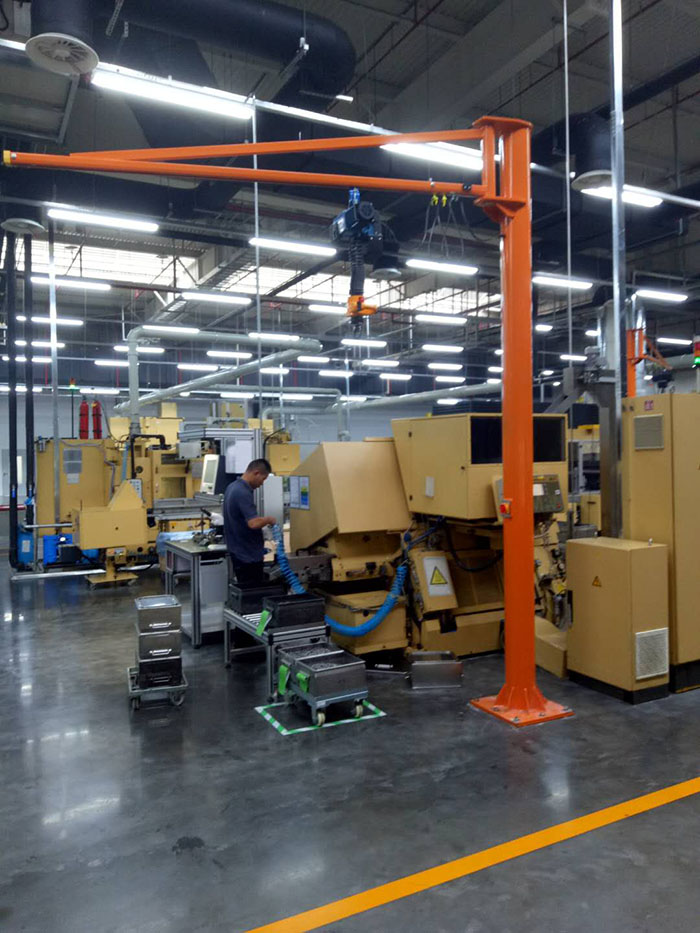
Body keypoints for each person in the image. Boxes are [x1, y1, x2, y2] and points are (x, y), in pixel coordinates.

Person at [223, 458, 276, 586]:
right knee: (253, 592)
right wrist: (268, 520)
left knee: (245, 590)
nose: (262, 484)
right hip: (247, 556)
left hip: (238, 551)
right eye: (263, 479)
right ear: (256, 473)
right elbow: (253, 523)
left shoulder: (232, 487)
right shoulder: (243, 492)